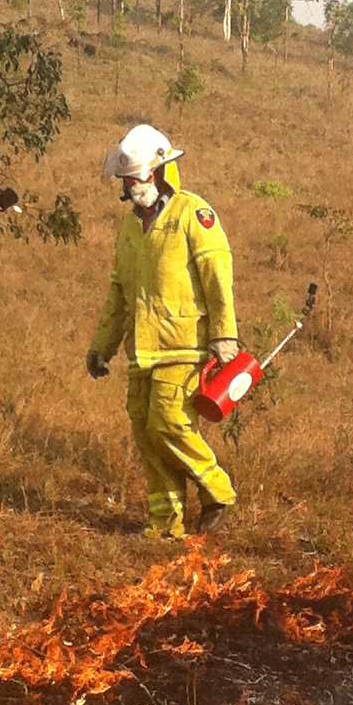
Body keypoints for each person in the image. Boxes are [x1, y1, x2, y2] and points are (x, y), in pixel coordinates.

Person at [86, 122, 240, 541]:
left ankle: (218, 491)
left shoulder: (194, 214)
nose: (131, 186)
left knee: (168, 422)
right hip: (142, 349)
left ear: (159, 172)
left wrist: (224, 335)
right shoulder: (129, 228)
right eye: (127, 180)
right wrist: (102, 347)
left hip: (184, 346)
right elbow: (119, 293)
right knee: (144, 430)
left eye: (137, 177)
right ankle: (166, 524)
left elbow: (217, 276)